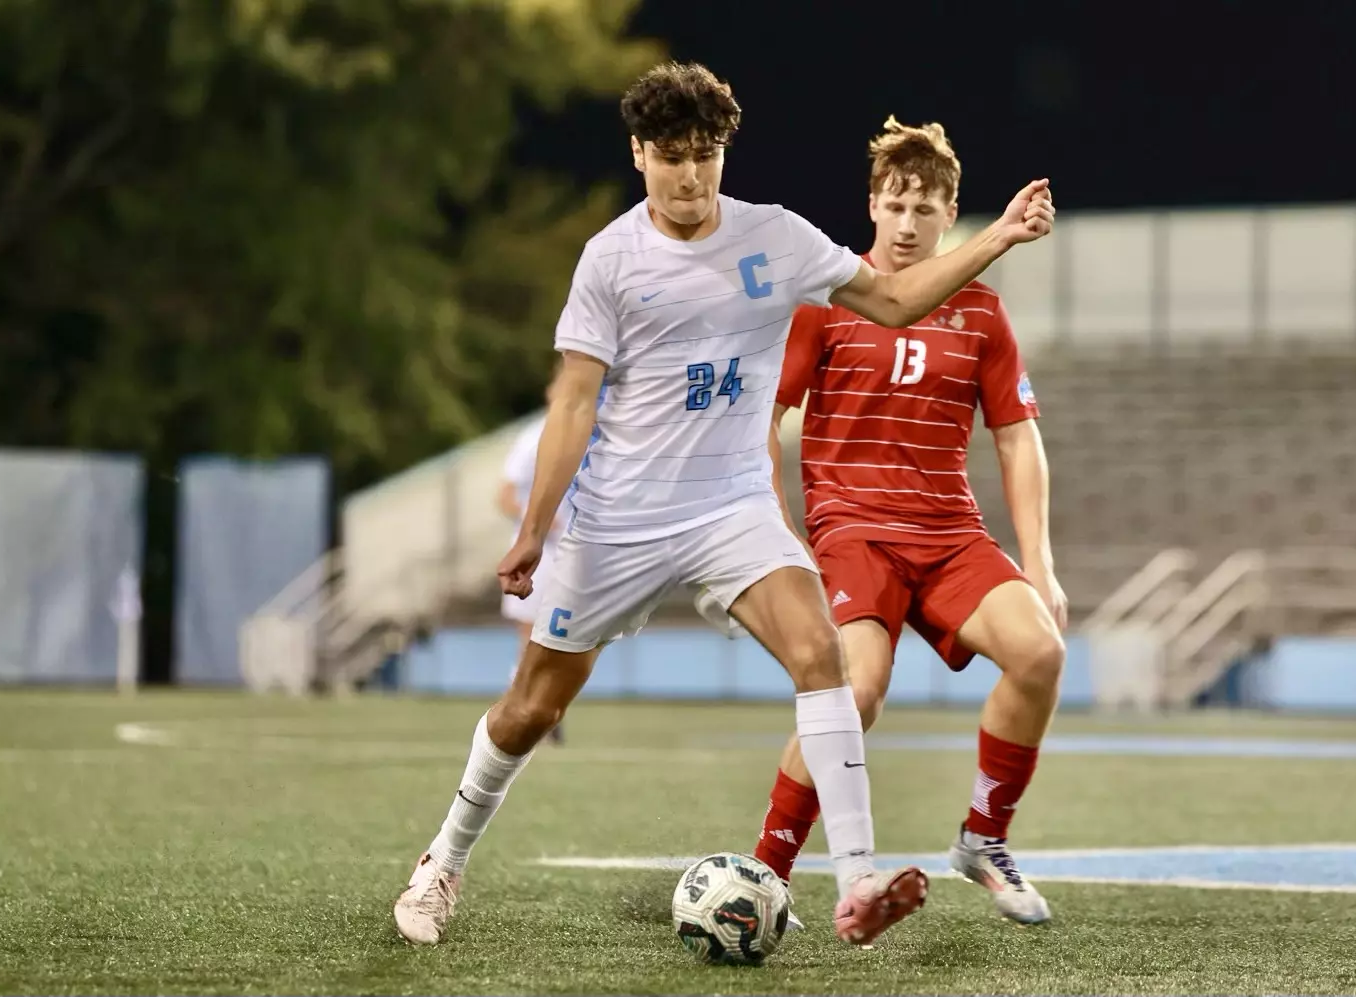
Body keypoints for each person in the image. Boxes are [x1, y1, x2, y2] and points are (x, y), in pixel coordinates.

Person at [391, 62, 1055, 948]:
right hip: (620, 517)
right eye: (672, 157)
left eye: (705, 155)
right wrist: (534, 530)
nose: (691, 176)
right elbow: (575, 401)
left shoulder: (775, 237)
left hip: (729, 508)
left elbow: (895, 300)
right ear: (639, 154)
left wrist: (999, 235)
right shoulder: (610, 260)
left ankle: (856, 878)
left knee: (824, 657)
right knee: (532, 709)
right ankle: (442, 862)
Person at [751, 117, 1068, 926]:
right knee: (854, 691)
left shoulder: (984, 315)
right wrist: (773, 528)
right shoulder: (826, 302)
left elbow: (1017, 435)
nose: (906, 223)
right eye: (894, 204)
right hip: (852, 527)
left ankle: (982, 838)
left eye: (924, 209)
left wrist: (1040, 561)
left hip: (949, 531)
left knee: (1039, 652)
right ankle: (768, 872)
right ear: (870, 205)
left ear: (947, 216)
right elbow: (766, 417)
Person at [495, 385, 574, 745]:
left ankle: (543, 711)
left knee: (562, 640)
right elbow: (505, 495)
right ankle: (519, 714)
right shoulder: (534, 437)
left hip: (572, 554)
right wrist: (539, 525)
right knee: (529, 638)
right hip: (537, 554)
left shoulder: (590, 434)